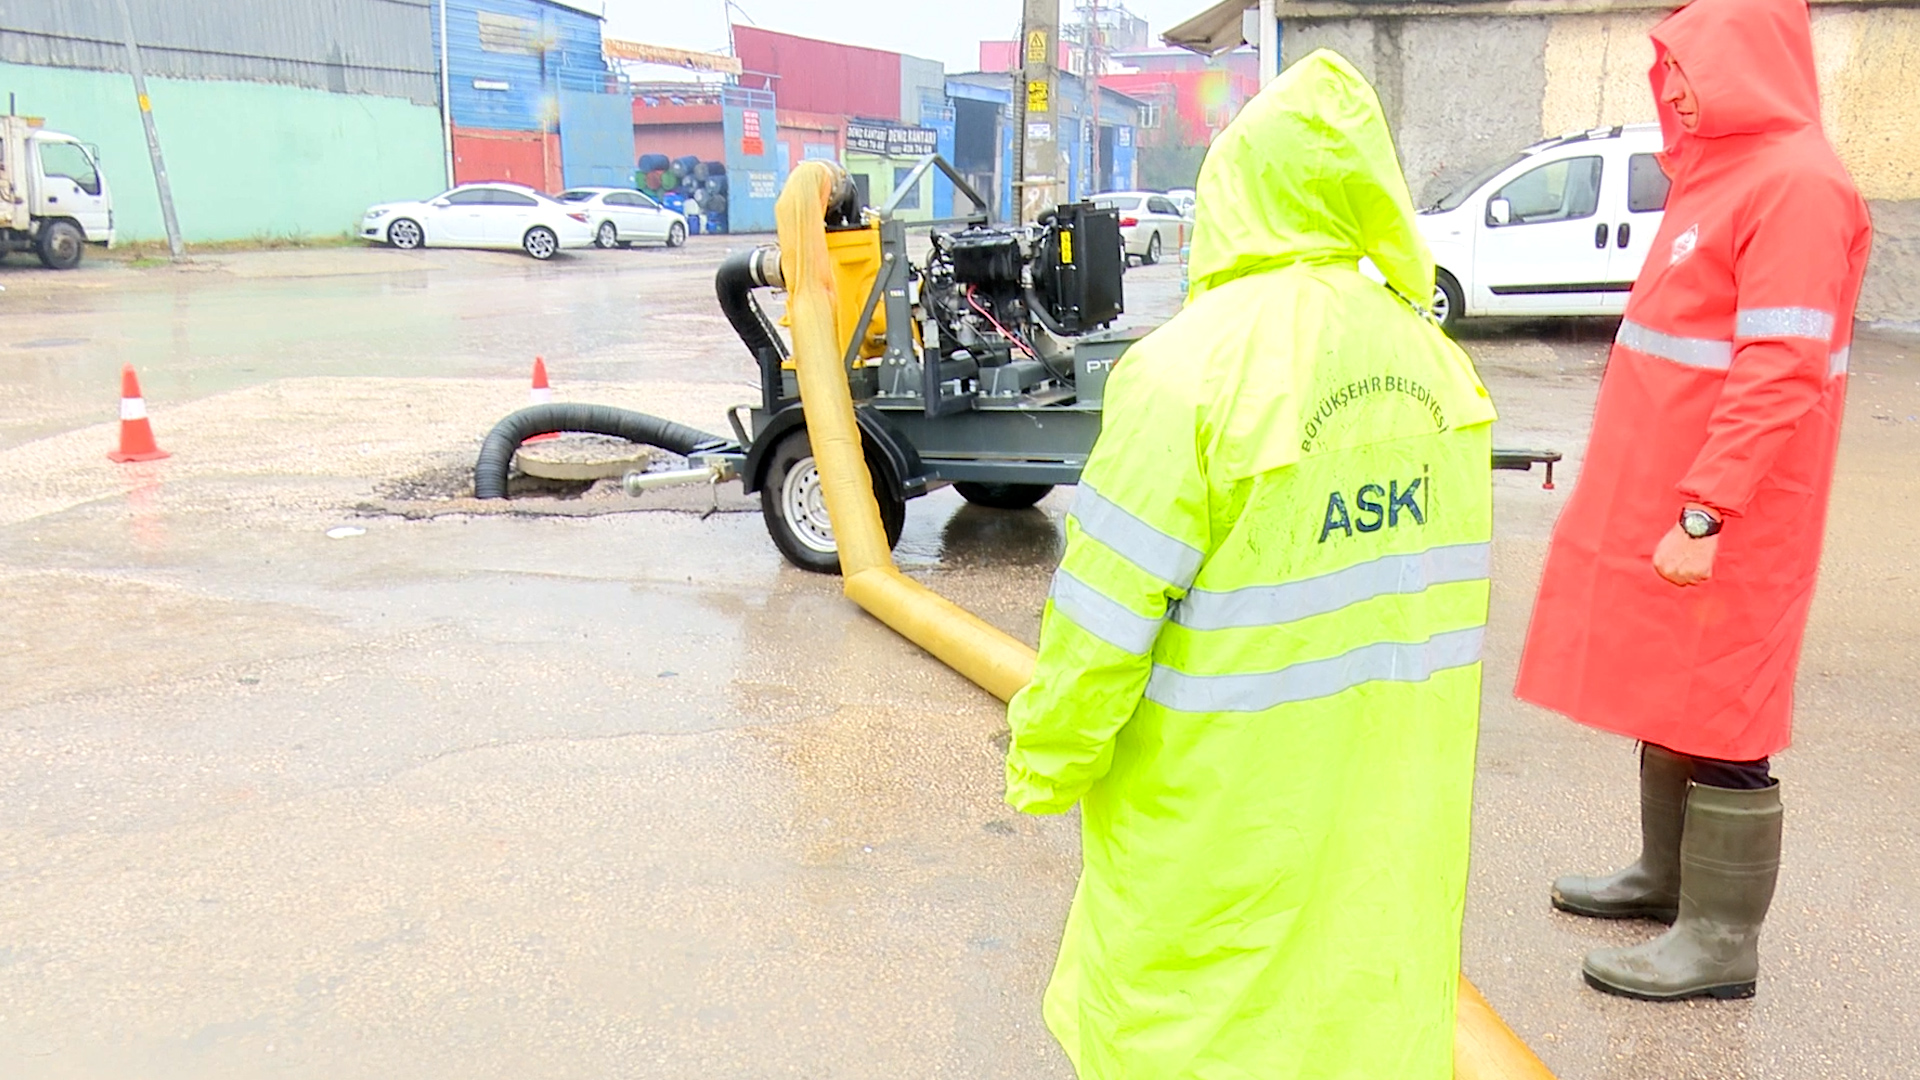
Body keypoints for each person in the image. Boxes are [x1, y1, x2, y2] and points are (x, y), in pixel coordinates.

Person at [1004, 50, 1497, 1078]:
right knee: (1358, 1025)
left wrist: (1046, 762)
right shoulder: (1440, 379)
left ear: (1236, 191)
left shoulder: (1186, 377)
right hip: (1389, 819)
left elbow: (1100, 625)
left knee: (1202, 1033)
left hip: (1219, 826)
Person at [1516, 0, 1872, 1003]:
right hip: (1677, 497)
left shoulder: (1797, 184)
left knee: (1724, 705)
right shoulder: (1728, 176)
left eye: (1690, 65)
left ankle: (1721, 939)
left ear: (1748, 60)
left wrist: (1707, 510)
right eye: (1667, 66)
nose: (1670, 85)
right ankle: (1667, 879)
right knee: (1673, 687)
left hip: (1737, 511)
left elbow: (1779, 366)